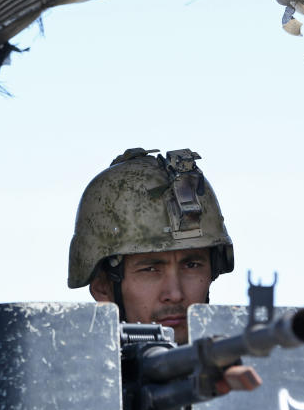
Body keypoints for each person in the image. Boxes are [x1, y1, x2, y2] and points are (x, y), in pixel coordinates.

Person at [68, 147, 260, 393]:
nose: (175, 293)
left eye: (192, 265)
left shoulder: (239, 375)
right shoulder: (71, 388)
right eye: (150, 269)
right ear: (103, 287)